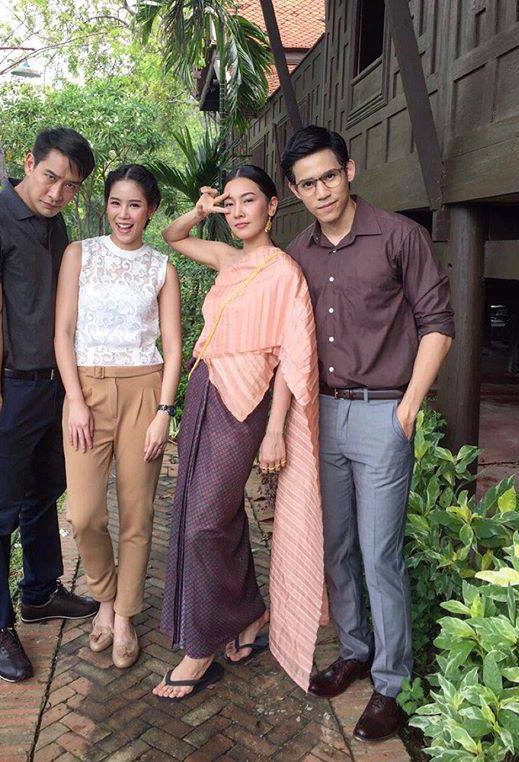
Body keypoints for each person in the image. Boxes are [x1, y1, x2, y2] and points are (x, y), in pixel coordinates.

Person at [281, 126, 455, 742]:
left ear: (349, 171)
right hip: (322, 417)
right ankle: (354, 650)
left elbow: (438, 323)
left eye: (330, 176)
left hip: (384, 412)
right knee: (337, 545)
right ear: (295, 192)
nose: (322, 191)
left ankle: (391, 683)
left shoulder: (399, 236)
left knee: (380, 553)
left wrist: (408, 407)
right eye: (308, 184)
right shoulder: (298, 253)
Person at [152, 165, 327, 701]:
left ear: (272, 206)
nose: (237, 211)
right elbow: (172, 236)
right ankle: (249, 613)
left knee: (204, 523)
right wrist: (200, 210)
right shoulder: (228, 258)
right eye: (229, 203)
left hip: (247, 402)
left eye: (248, 200)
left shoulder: (285, 272)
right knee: (211, 513)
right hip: (205, 388)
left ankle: (202, 644)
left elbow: (290, 358)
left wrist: (275, 431)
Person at [0, 128, 99, 683]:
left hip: (52, 387)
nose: (57, 193)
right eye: (50, 177)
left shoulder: (54, 224)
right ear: (29, 163)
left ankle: (39, 592)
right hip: (9, 390)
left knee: (44, 492)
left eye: (71, 186)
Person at [54, 164, 182, 669]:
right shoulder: (79, 254)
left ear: (150, 210)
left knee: (137, 512)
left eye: (134, 204)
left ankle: (123, 614)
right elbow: (64, 332)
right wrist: (75, 399)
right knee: (83, 513)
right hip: (86, 389)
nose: (123, 214)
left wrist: (163, 412)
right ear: (105, 204)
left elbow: (173, 347)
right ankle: (103, 596)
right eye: (115, 203)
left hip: (144, 390)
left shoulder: (161, 268)